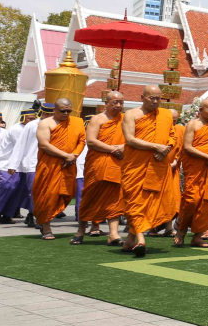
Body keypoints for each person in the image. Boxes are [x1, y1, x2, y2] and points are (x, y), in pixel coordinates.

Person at [120, 86, 176, 257]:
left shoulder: (165, 115)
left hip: (158, 166)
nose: (155, 101)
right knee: (135, 203)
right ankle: (140, 240)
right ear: (142, 97)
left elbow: (172, 136)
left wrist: (165, 149)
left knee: (150, 204)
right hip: (136, 167)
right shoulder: (131, 115)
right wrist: (155, 147)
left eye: (158, 98)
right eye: (151, 98)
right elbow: (130, 139)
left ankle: (130, 240)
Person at [72, 92, 125, 245]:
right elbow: (91, 141)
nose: (118, 105)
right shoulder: (97, 119)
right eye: (115, 102)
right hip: (98, 163)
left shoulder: (125, 119)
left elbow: (132, 138)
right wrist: (112, 149)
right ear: (106, 103)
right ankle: (81, 230)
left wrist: (123, 147)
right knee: (90, 196)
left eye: (121, 102)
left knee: (115, 198)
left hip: (117, 164)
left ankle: (113, 234)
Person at [32, 99, 86, 240]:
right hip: (49, 166)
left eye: (69, 111)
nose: (66, 113)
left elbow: (82, 140)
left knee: (67, 193)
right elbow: (44, 144)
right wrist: (65, 155)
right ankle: (46, 227)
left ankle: (48, 221)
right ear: (55, 110)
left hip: (68, 165)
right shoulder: (45, 123)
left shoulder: (77, 122)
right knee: (47, 196)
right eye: (63, 111)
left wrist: (73, 156)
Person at [175, 98, 208, 249]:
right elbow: (187, 147)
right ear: (201, 110)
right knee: (191, 200)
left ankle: (197, 237)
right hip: (195, 169)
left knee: (207, 203)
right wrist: (207, 157)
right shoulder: (193, 124)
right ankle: (181, 231)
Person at [9, 102, 51, 227]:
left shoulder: (57, 125)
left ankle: (33, 214)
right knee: (35, 191)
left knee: (48, 193)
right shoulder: (32, 125)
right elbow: (21, 144)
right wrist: (13, 164)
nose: (49, 116)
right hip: (33, 163)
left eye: (51, 113)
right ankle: (37, 217)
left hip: (51, 164)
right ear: (41, 112)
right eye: (46, 113)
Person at [0, 108, 34, 223]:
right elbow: (23, 148)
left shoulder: (29, 128)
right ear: (23, 118)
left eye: (34, 118)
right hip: (7, 164)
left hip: (22, 166)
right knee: (8, 186)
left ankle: (7, 214)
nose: (32, 120)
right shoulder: (16, 129)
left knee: (18, 191)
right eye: (30, 118)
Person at [154, 109, 184, 237]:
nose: (173, 122)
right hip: (156, 168)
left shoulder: (180, 130)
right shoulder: (158, 128)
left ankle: (168, 227)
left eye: (175, 120)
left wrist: (176, 161)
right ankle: (153, 227)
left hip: (173, 169)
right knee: (156, 199)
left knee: (172, 199)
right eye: (171, 119)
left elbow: (182, 148)